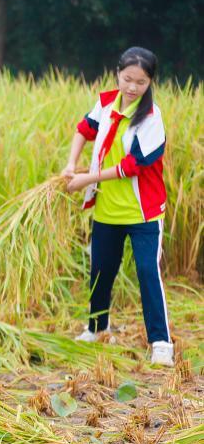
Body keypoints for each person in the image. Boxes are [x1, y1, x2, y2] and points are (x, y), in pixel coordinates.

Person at [63, 47, 174, 367]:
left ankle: (160, 343)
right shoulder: (106, 102)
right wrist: (71, 165)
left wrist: (87, 179)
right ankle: (97, 328)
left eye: (140, 82)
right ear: (117, 73)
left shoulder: (152, 118)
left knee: (146, 271)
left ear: (150, 82)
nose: (132, 87)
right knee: (101, 269)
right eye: (127, 79)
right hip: (108, 209)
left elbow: (132, 166)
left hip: (143, 212)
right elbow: (84, 129)